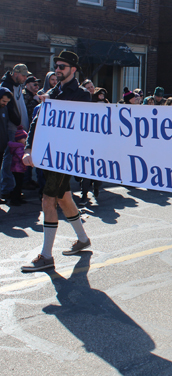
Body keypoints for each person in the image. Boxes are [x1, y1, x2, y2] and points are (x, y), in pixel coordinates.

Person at [21, 51, 92, 272]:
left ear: (73, 69)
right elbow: (36, 122)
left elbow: (84, 124)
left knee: (48, 200)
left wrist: (52, 102)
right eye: (57, 66)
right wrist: (29, 148)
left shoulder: (81, 95)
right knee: (64, 198)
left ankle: (46, 256)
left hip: (66, 155)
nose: (58, 69)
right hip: (49, 154)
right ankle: (83, 239)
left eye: (62, 66)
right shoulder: (51, 92)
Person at [0, 64, 31, 199]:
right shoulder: (6, 86)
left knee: (16, 161)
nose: (25, 78)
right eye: (23, 75)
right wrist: (17, 121)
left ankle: (13, 188)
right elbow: (9, 109)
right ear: (15, 73)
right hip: (12, 129)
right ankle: (7, 189)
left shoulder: (18, 86)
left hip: (19, 129)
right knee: (9, 160)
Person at [8, 129, 28, 206]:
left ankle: (18, 198)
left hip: (20, 169)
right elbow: (21, 157)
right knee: (18, 184)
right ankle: (14, 199)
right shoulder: (19, 148)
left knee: (19, 184)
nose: (26, 140)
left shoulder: (20, 147)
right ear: (19, 140)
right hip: (17, 169)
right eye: (24, 138)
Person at [0, 87, 13, 204]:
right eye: (3, 101)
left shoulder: (4, 109)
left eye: (7, 102)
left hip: (2, 145)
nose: (5, 104)